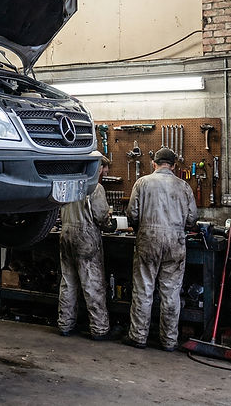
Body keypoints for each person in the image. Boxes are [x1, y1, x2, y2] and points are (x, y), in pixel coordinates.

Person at [123, 148, 198, 351]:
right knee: (171, 292)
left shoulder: (142, 183)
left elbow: (133, 214)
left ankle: (138, 337)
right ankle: (169, 341)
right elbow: (192, 219)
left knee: (143, 289)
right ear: (174, 166)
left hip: (148, 239)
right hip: (175, 241)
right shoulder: (184, 186)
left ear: (154, 164)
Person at [58, 156, 115, 340]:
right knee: (93, 284)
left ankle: (65, 324)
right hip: (85, 236)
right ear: (97, 167)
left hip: (66, 233)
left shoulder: (66, 183)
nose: (105, 173)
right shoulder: (94, 187)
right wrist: (110, 224)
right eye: (104, 169)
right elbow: (100, 217)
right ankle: (99, 329)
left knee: (68, 282)